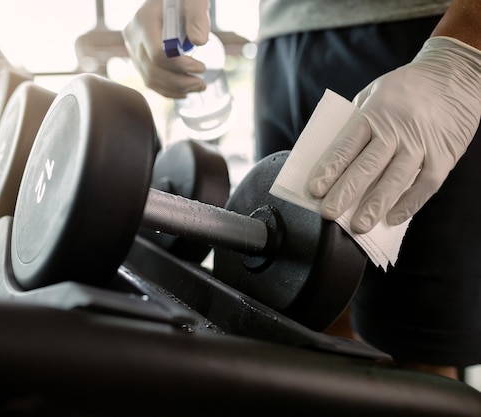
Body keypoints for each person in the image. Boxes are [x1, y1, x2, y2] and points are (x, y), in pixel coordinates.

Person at [123, 0, 481, 380]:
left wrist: (465, 50)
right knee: (299, 325)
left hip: (422, 37)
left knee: (418, 359)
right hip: (281, 41)